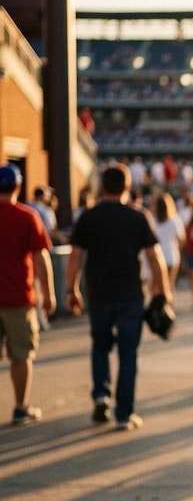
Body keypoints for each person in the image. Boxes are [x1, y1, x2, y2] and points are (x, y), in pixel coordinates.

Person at [65, 163, 171, 431]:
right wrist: (163, 291)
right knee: (128, 354)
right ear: (127, 186)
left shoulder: (89, 217)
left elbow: (75, 256)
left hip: (99, 294)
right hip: (130, 295)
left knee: (100, 346)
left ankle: (101, 394)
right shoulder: (138, 217)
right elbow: (154, 257)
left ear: (103, 186)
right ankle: (124, 414)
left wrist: (71, 289)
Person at [0, 164, 55, 424]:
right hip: (18, 298)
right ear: (18, 187)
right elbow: (41, 258)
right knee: (21, 355)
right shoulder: (27, 216)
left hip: (15, 297)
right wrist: (49, 294)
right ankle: (21, 407)